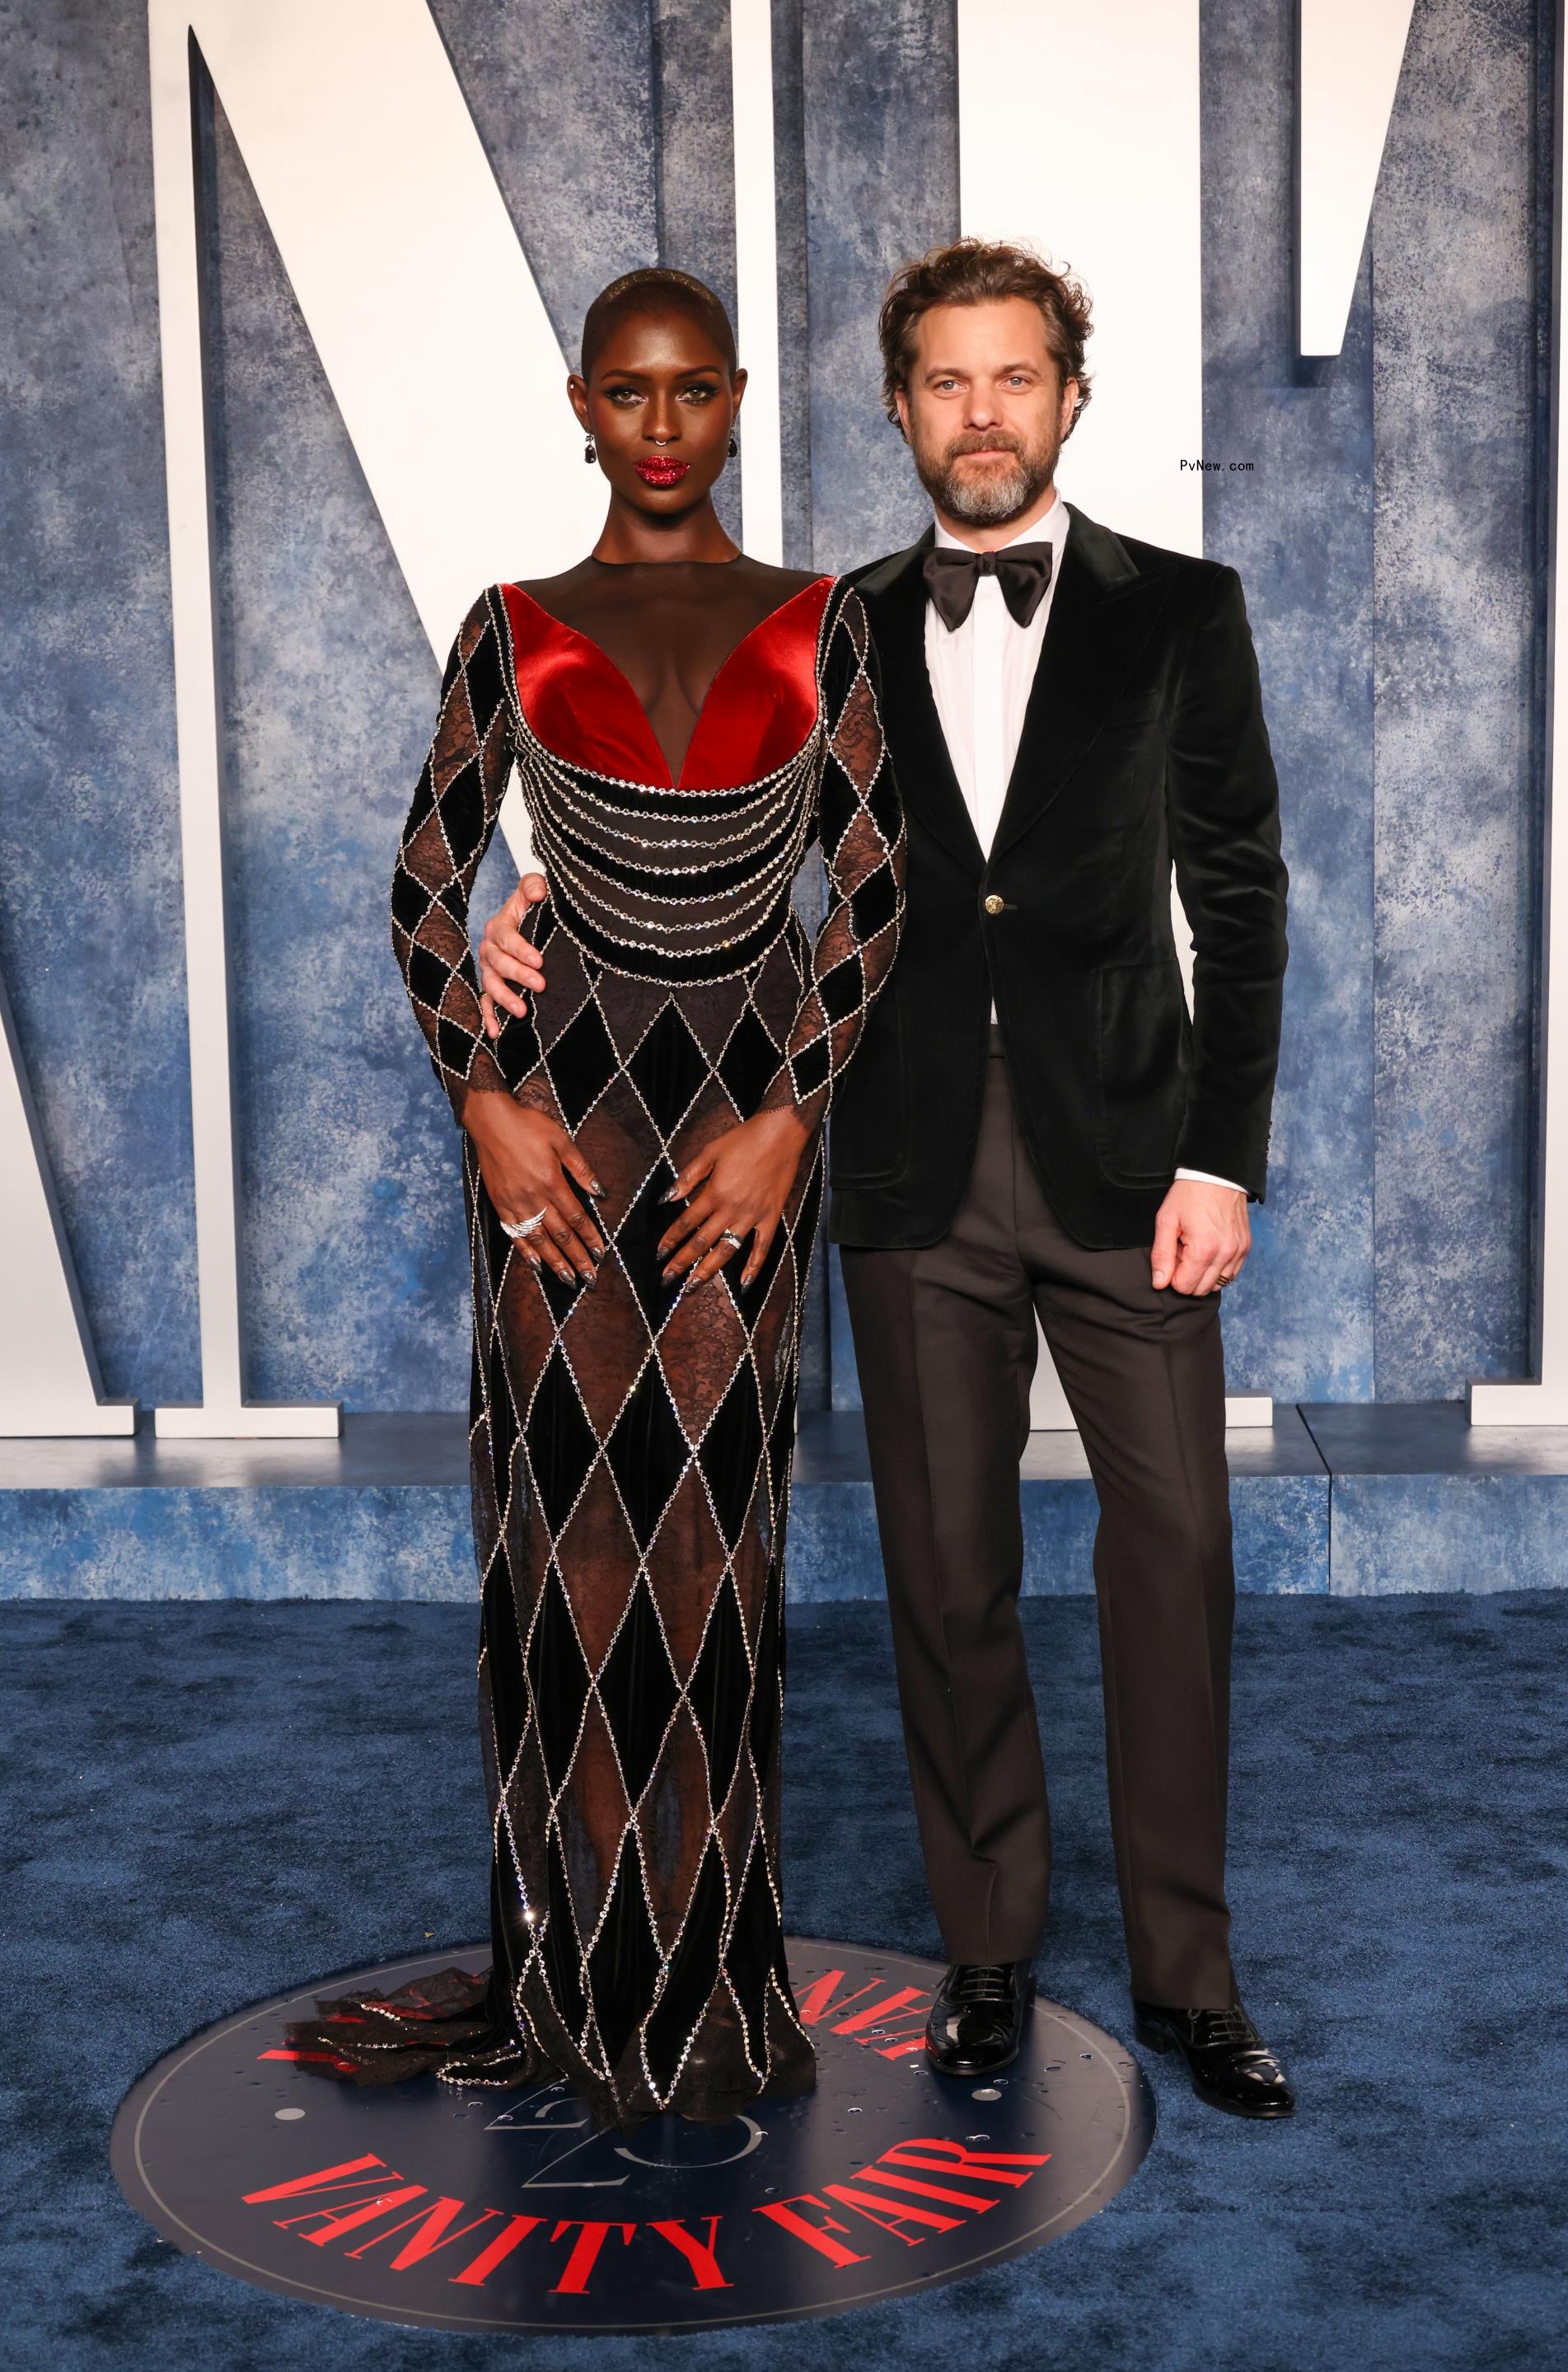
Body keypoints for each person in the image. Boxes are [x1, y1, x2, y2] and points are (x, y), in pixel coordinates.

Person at [478, 239, 1294, 2123]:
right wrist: (536, 897)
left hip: (1126, 1166)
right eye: (945, 381)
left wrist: (1220, 1159)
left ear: (1069, 400)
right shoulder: (822, 624)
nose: (982, 412)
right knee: (945, 1567)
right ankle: (989, 1949)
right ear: (901, 406)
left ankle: (1188, 1970)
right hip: (906, 1160)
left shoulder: (1185, 611)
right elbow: (703, 816)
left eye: (1015, 377)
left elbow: (1239, 899)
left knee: (1174, 1555)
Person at [285, 268, 905, 2132]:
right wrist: (480, 1094)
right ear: (580, 402)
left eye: (689, 392)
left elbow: (870, 884)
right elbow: (421, 878)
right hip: (559, 1144)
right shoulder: (511, 623)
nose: (657, 427)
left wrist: (792, 1118)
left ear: (733, 403)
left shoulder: (823, 622)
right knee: (567, 1546)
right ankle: (562, 1973)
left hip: (738, 1139)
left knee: (718, 1549)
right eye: (624, 394)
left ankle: (705, 1980)